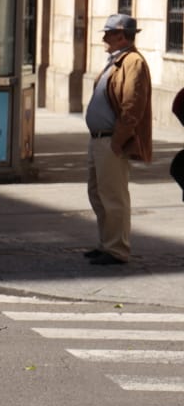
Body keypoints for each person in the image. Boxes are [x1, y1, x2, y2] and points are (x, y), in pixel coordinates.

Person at [84, 14, 153, 266]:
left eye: (109, 33)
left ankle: (116, 249)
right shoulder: (116, 60)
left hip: (111, 140)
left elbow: (132, 105)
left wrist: (118, 141)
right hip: (99, 139)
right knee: (97, 193)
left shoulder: (133, 62)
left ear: (122, 35)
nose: (104, 38)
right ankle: (105, 243)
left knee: (113, 196)